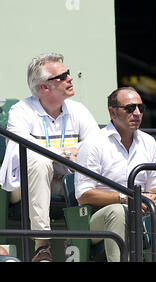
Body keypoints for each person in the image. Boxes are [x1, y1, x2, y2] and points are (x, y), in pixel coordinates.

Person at [0, 52, 99, 262]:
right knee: (39, 161)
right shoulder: (21, 110)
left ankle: (89, 243)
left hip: (65, 181)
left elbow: (98, 146)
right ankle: (41, 245)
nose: (70, 78)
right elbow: (20, 147)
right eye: (62, 76)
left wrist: (78, 151)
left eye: (68, 73)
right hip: (25, 183)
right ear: (44, 87)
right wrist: (63, 154)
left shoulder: (78, 109)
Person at [75, 87, 156, 262]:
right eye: (130, 108)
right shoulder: (93, 143)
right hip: (97, 218)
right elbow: (83, 195)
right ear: (112, 112)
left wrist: (153, 197)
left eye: (140, 108)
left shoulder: (149, 142)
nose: (137, 113)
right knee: (119, 211)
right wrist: (126, 199)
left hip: (141, 212)